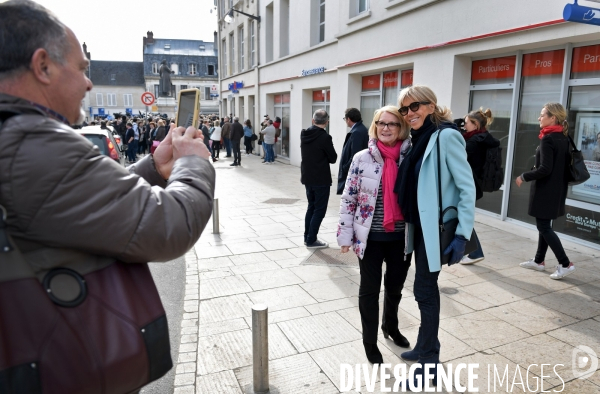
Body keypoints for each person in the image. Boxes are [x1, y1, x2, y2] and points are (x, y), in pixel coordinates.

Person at [0, 1, 215, 392]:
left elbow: (73, 199)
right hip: (64, 369)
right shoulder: (33, 143)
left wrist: (153, 168)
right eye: (82, 69)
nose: (88, 84)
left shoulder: (18, 139)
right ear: (43, 66)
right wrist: (194, 163)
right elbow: (168, 226)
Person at [394, 85, 475, 388]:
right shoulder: (417, 140)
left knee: (425, 292)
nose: (409, 113)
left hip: (438, 230)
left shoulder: (446, 136)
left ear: (430, 106)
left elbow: (467, 188)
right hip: (419, 228)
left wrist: (463, 234)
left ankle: (430, 359)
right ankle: (425, 346)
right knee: (422, 290)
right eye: (404, 109)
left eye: (414, 107)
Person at [337, 106, 412, 365]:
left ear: (401, 127)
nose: (386, 128)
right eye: (381, 123)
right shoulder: (361, 158)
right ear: (374, 126)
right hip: (369, 238)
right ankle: (370, 341)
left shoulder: (411, 155)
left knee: (395, 288)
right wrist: (345, 236)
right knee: (369, 291)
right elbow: (349, 198)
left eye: (392, 124)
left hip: (401, 237)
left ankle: (390, 327)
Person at [516, 103, 576, 279]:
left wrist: (524, 176)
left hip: (546, 190)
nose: (539, 118)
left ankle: (565, 263)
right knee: (544, 225)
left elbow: (545, 169)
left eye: (542, 115)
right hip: (557, 189)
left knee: (543, 226)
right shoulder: (563, 137)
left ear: (553, 118)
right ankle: (539, 260)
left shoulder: (549, 139)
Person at [459, 108, 500, 265]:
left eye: (466, 122)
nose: (464, 126)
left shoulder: (473, 142)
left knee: (462, 217)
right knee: (462, 216)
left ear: (475, 124)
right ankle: (472, 251)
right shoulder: (482, 139)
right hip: (474, 184)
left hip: (467, 184)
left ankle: (475, 252)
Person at [300, 109, 338, 248]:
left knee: (311, 207)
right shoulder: (325, 137)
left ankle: (307, 237)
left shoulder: (304, 133)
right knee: (319, 209)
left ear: (313, 120)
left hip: (308, 177)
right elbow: (333, 158)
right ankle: (311, 240)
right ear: (327, 122)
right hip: (321, 179)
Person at [337, 108, 369, 195]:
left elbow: (355, 155)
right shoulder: (360, 129)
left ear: (348, 119)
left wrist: (345, 168)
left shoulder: (357, 132)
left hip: (353, 173)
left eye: (345, 119)